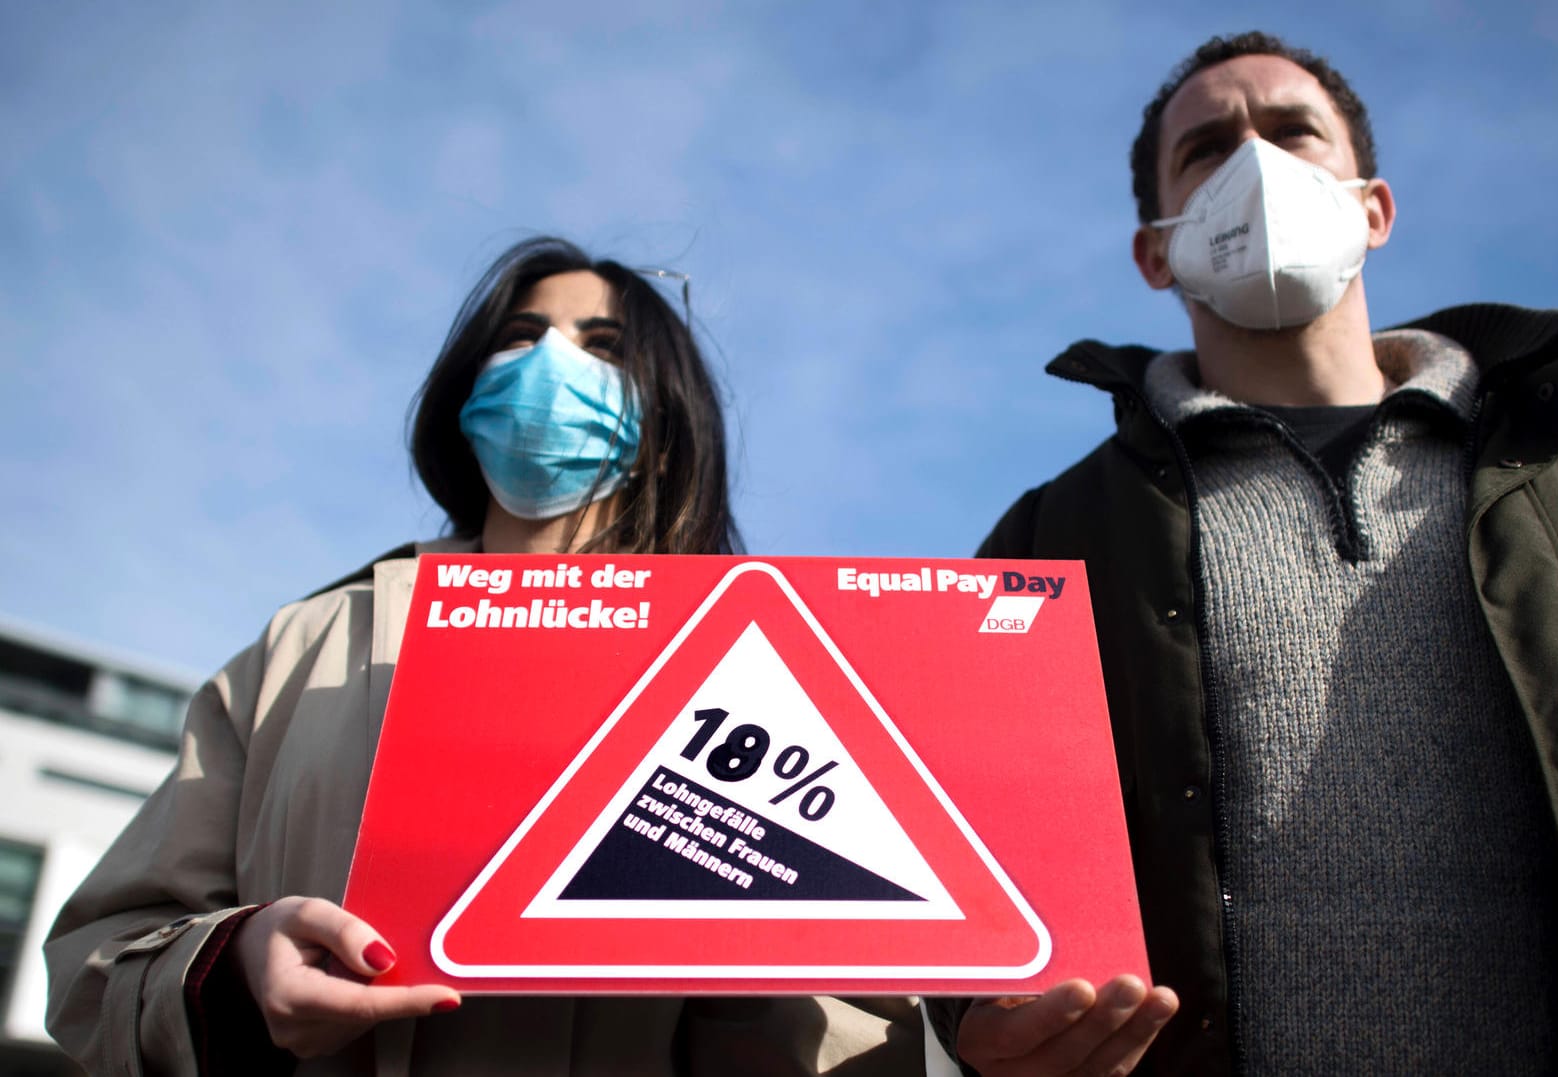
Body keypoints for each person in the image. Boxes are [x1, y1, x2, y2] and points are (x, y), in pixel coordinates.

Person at [45, 236, 921, 1075]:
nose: (551, 362)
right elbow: (97, 964)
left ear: (664, 415)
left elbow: (842, 1027)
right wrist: (234, 970)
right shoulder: (304, 648)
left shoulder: (747, 678)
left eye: (602, 344)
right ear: (467, 395)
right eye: (520, 335)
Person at [927, 31, 1558, 1077]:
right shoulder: (1051, 540)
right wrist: (973, 1022)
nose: (1257, 167)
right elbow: (964, 839)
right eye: (1207, 150)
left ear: (1371, 209)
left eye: (1294, 133)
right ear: (1154, 247)